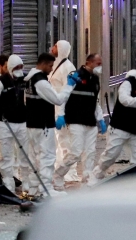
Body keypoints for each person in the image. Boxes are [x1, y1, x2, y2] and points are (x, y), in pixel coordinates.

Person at [25, 53, 79, 196]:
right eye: (49, 66)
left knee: (35, 157)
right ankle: (46, 189)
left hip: (32, 125)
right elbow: (58, 99)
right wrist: (69, 85)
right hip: (43, 126)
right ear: (42, 64)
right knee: (47, 157)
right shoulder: (40, 82)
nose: (51, 69)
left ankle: (34, 188)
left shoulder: (29, 79)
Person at [0, 55, 35, 194]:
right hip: (4, 124)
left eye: (21, 67)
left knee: (24, 155)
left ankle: (26, 183)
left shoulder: (25, 81)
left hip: (22, 123)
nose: (19, 70)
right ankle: (8, 186)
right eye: (16, 67)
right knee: (6, 157)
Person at [53, 53, 105, 190]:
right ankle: (58, 175)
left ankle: (86, 182)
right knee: (75, 152)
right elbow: (64, 96)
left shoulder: (95, 79)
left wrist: (100, 118)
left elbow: (96, 100)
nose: (100, 67)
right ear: (88, 62)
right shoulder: (75, 76)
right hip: (75, 120)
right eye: (98, 63)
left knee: (90, 153)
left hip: (90, 121)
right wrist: (60, 114)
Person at [49, 40, 79, 183]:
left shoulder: (68, 67)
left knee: (66, 143)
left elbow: (68, 92)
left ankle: (70, 172)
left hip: (63, 110)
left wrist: (62, 114)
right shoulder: (55, 65)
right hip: (54, 109)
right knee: (59, 142)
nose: (52, 48)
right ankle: (59, 169)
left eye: (55, 46)